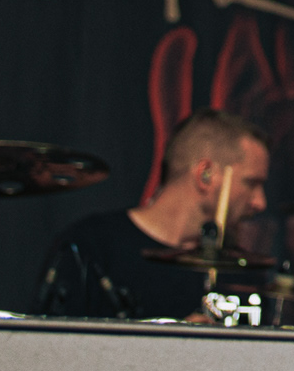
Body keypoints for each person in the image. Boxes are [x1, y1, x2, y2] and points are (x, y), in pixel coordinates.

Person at [34, 109, 270, 319]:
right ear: (205, 174)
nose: (260, 202)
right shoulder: (90, 248)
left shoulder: (240, 271)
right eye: (251, 183)